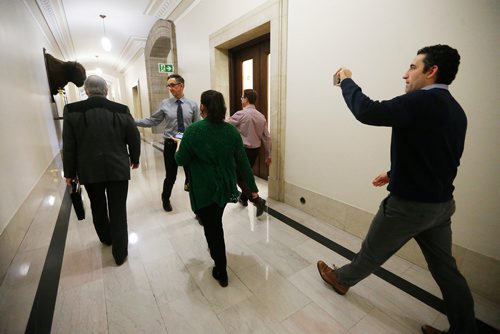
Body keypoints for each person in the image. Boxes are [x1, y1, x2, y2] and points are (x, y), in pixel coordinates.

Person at [316, 45, 477, 334]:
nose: (405, 74)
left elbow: (367, 111)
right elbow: (438, 156)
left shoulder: (419, 102)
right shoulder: (457, 111)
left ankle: (340, 280)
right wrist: (393, 173)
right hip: (441, 207)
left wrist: (346, 79)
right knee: (447, 271)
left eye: (413, 67)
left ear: (432, 71)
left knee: (370, 252)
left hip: (409, 207)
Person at [175, 90, 261, 287]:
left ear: (203, 107)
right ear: (223, 108)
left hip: (204, 188)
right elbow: (243, 164)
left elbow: (180, 160)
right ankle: (216, 254)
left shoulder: (193, 131)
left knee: (213, 228)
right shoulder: (231, 132)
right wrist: (253, 190)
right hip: (224, 187)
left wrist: (180, 145)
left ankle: (221, 269)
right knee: (214, 223)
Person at [63, 75, 140, 266]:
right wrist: (135, 158)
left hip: (89, 170)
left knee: (97, 206)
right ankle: (120, 253)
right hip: (118, 168)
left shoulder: (72, 110)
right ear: (106, 91)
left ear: (86, 91)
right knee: (118, 209)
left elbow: (69, 145)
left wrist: (70, 173)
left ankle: (106, 238)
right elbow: (134, 136)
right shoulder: (121, 109)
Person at [135, 74, 200, 212]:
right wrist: (133, 121)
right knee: (171, 176)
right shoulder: (165, 104)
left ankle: (197, 208)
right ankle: (165, 199)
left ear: (181, 85)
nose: (170, 88)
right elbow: (153, 120)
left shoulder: (192, 104)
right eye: (168, 85)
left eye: (172, 85)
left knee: (192, 177)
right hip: (170, 144)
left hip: (187, 145)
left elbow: (197, 126)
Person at [228, 89, 270, 217]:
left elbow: (225, 126)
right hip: (255, 151)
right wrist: (269, 154)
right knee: (246, 175)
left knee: (238, 177)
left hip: (242, 150)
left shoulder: (241, 114)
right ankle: (244, 199)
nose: (241, 100)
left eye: (242, 98)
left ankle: (257, 200)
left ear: (246, 99)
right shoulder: (261, 116)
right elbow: (267, 138)